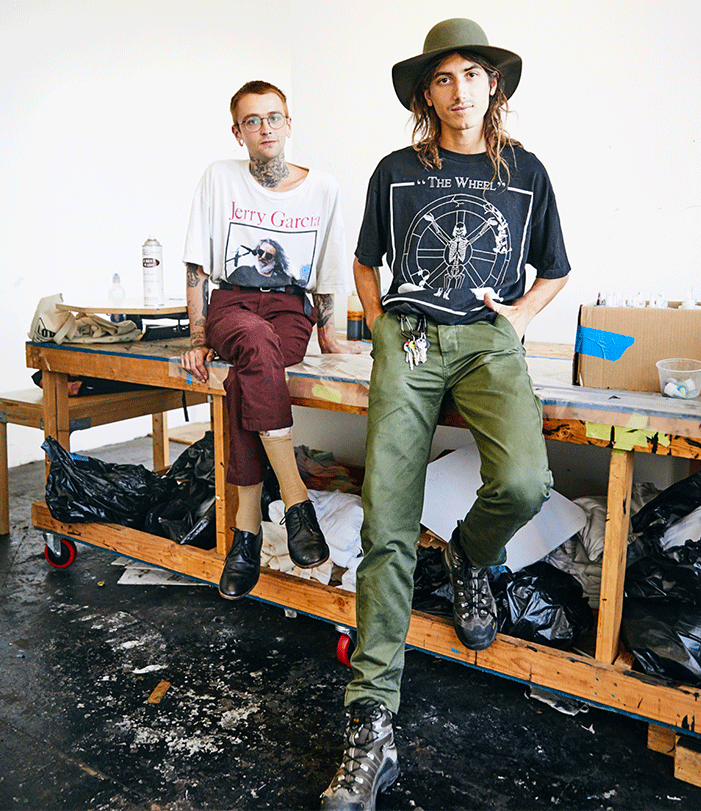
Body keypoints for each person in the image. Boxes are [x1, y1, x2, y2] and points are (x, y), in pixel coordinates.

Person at [321, 18, 570, 810]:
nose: (458, 89)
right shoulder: (396, 170)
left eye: (471, 74)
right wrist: (381, 322)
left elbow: (555, 270)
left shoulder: (525, 172)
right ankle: (371, 725)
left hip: (489, 341)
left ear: (492, 84)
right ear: (425, 94)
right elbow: (365, 260)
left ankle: (469, 553)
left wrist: (522, 315)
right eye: (442, 78)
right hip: (413, 337)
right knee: (386, 523)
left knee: (526, 482)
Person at [181, 80, 359, 602]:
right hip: (231, 306)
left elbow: (327, 270)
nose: (265, 127)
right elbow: (197, 262)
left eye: (274, 117)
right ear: (237, 132)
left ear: (289, 123)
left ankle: (247, 533)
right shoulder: (219, 177)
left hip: (290, 307)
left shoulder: (322, 187)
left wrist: (331, 337)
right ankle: (296, 499)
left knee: (246, 379)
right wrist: (197, 335)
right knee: (254, 344)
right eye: (252, 120)